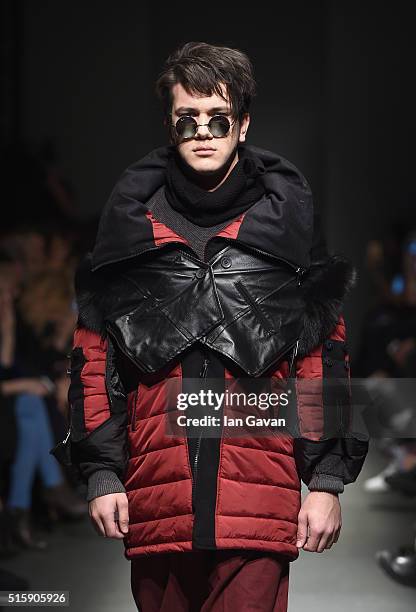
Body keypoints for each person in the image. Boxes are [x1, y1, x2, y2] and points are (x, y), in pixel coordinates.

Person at [52, 42, 369, 611]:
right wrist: (101, 474)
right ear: (171, 126)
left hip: (258, 501)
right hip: (157, 499)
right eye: (187, 119)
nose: (203, 131)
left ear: (242, 124)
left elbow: (325, 362)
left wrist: (326, 482)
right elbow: (94, 362)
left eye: (218, 118)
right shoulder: (129, 234)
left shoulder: (285, 234)